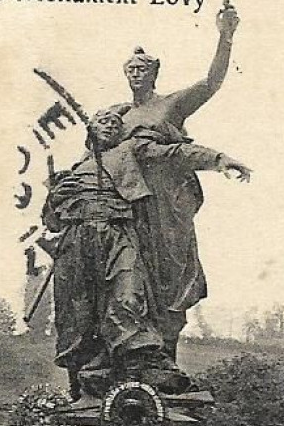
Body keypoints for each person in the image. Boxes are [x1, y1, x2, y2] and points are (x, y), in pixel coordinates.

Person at [42, 107, 250, 398]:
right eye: (104, 121)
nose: (111, 126)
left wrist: (219, 160)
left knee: (129, 294)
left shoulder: (130, 149)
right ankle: (86, 378)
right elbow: (52, 221)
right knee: (79, 312)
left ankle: (143, 362)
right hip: (77, 243)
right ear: (90, 128)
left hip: (118, 234)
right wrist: (56, 195)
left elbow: (175, 153)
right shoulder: (73, 172)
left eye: (116, 124)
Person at [110, 5, 240, 360]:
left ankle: (166, 359)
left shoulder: (169, 105)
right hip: (131, 207)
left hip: (168, 208)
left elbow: (210, 84)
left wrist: (225, 37)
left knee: (170, 279)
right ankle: (134, 358)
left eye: (142, 69)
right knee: (130, 282)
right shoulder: (119, 116)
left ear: (154, 73)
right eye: (131, 69)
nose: (136, 74)